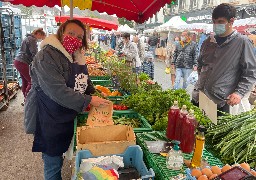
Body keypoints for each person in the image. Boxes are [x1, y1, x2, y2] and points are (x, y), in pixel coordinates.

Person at [26, 19, 110, 180]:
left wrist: (94, 92)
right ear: (61, 32)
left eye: (79, 37)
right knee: (53, 163)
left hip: (66, 113)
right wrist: (89, 100)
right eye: (71, 33)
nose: (75, 39)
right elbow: (57, 91)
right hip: (49, 116)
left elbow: (82, 79)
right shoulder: (46, 56)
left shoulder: (74, 55)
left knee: (62, 154)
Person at [192, 3, 256, 115]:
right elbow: (200, 64)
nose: (216, 25)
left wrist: (239, 93)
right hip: (199, 96)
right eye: (214, 22)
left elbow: (250, 73)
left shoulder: (242, 43)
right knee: (192, 129)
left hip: (220, 101)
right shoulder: (208, 42)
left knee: (211, 132)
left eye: (220, 22)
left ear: (231, 21)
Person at [14, 28, 46, 102]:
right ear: (38, 34)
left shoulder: (28, 37)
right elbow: (34, 53)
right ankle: (28, 100)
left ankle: (25, 98)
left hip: (18, 61)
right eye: (41, 37)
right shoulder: (32, 39)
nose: (40, 40)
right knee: (32, 81)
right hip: (22, 62)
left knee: (25, 81)